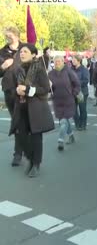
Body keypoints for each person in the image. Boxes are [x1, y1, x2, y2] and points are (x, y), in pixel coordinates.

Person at [10, 44, 55, 177]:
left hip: (36, 109)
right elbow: (16, 88)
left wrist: (28, 90)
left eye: (25, 51)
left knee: (36, 138)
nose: (22, 54)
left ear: (34, 54)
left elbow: (45, 89)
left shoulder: (40, 69)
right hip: (22, 107)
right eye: (21, 52)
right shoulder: (18, 70)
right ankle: (30, 158)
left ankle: (35, 164)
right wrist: (17, 91)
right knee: (22, 137)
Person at [0, 27, 25, 166]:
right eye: (6, 36)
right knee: (17, 121)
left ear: (16, 35)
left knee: (20, 121)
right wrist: (2, 66)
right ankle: (19, 152)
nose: (7, 38)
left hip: (23, 90)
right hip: (9, 91)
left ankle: (18, 153)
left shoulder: (26, 48)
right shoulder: (2, 52)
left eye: (9, 36)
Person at [49, 56, 81, 151]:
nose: (57, 63)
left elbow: (77, 84)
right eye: (55, 62)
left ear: (63, 62)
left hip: (68, 100)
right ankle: (71, 136)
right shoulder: (50, 74)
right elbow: (48, 88)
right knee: (64, 121)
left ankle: (60, 141)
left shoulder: (69, 72)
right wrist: (48, 87)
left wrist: (73, 94)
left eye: (59, 61)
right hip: (57, 101)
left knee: (63, 121)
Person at [72, 55, 90, 131]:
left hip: (81, 92)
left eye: (74, 60)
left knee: (82, 109)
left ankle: (83, 124)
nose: (72, 61)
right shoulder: (71, 69)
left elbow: (86, 80)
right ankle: (77, 123)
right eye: (72, 60)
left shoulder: (84, 70)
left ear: (78, 61)